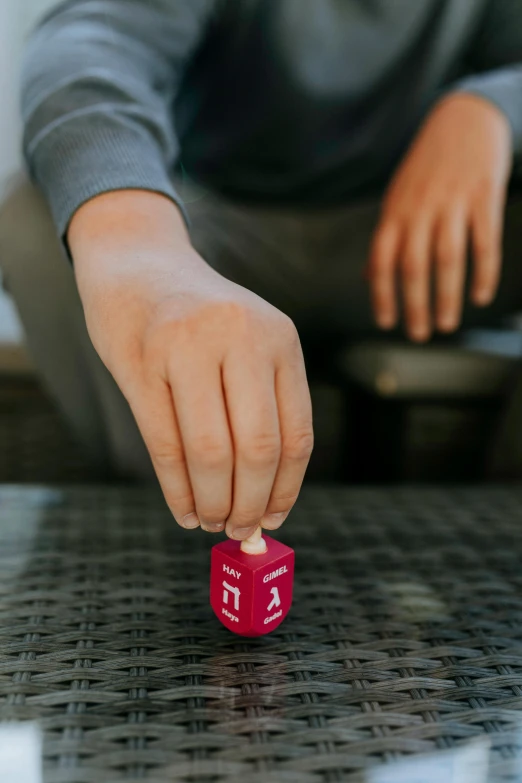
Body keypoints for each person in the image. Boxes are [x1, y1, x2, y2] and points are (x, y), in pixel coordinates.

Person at [0, 0, 521, 539]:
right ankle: (177, 524)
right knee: (34, 220)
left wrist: (493, 108)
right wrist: (138, 240)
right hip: (221, 237)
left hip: (415, 246)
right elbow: (91, 41)